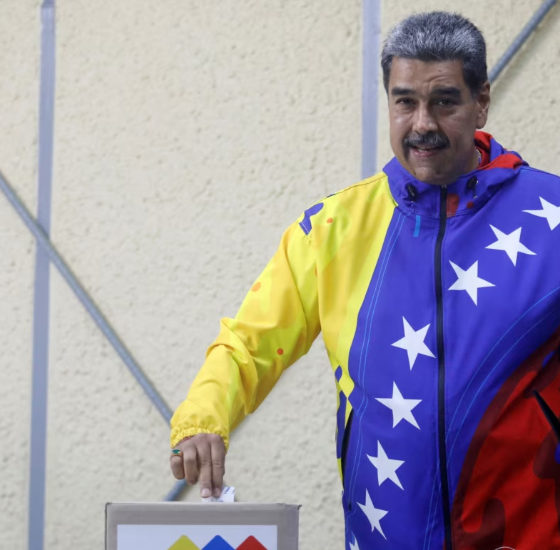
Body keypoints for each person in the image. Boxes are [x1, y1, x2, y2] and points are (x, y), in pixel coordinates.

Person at [169, 11, 560, 549]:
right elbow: (248, 344)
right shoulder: (332, 229)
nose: (422, 123)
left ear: (482, 102)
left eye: (444, 101)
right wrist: (201, 419)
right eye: (405, 101)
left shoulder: (551, 218)